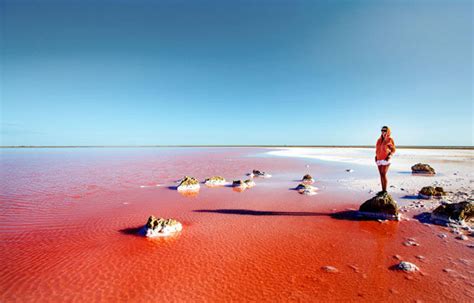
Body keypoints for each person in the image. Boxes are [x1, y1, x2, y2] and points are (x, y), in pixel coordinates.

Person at [375, 126, 396, 193]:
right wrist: (376, 156)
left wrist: (389, 156)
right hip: (379, 159)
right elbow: (377, 149)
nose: (383, 132)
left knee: (383, 174)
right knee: (381, 175)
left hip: (386, 159)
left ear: (388, 131)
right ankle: (382, 190)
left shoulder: (389, 139)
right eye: (382, 130)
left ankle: (385, 191)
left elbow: (393, 149)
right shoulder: (378, 140)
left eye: (385, 130)